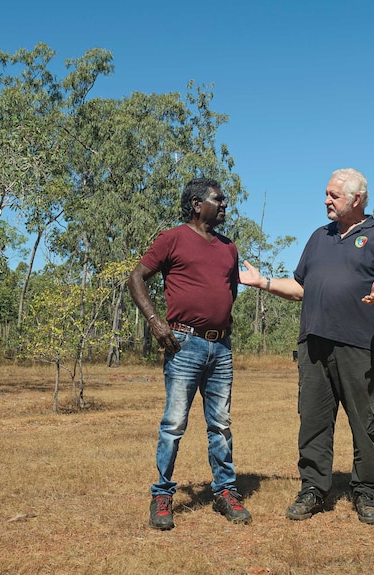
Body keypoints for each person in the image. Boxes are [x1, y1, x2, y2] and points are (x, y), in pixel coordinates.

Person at [240, 168, 374, 525]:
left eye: (333, 195)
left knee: (366, 422)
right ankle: (313, 489)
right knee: (314, 421)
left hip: (360, 348)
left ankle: (365, 491)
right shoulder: (319, 237)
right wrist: (263, 282)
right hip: (314, 345)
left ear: (356, 199)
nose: (326, 200)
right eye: (327, 194)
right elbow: (300, 288)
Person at [128, 177, 252, 531]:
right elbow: (136, 278)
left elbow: (229, 293)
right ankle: (163, 495)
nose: (225, 205)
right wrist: (155, 322)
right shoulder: (173, 238)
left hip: (221, 347)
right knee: (174, 424)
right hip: (183, 344)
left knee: (221, 425)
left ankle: (225, 492)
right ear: (197, 205)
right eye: (219, 200)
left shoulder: (229, 247)